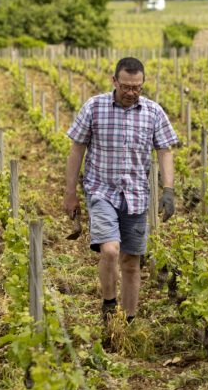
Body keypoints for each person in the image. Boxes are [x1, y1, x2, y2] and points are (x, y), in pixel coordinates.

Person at [64, 57, 179, 324]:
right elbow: (77, 149)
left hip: (136, 196)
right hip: (101, 191)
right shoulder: (94, 107)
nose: (131, 92)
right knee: (110, 251)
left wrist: (168, 190)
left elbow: (164, 151)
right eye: (126, 86)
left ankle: (128, 321)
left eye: (136, 87)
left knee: (131, 262)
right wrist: (70, 192)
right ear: (114, 81)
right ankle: (108, 304)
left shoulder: (153, 111)